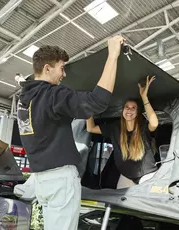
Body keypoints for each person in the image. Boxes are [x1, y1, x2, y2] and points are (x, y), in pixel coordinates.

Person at [16, 35, 125, 230]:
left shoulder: (24, 101)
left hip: (42, 181)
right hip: (60, 181)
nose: (64, 74)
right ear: (47, 68)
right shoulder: (52, 95)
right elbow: (97, 101)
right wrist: (113, 56)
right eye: (61, 68)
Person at [86, 76, 159, 189]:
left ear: (137, 113)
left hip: (147, 176)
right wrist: (88, 108)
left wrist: (144, 97)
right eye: (126, 107)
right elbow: (91, 128)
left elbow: (154, 123)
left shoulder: (143, 127)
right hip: (126, 176)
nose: (129, 110)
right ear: (123, 111)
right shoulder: (115, 128)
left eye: (133, 108)